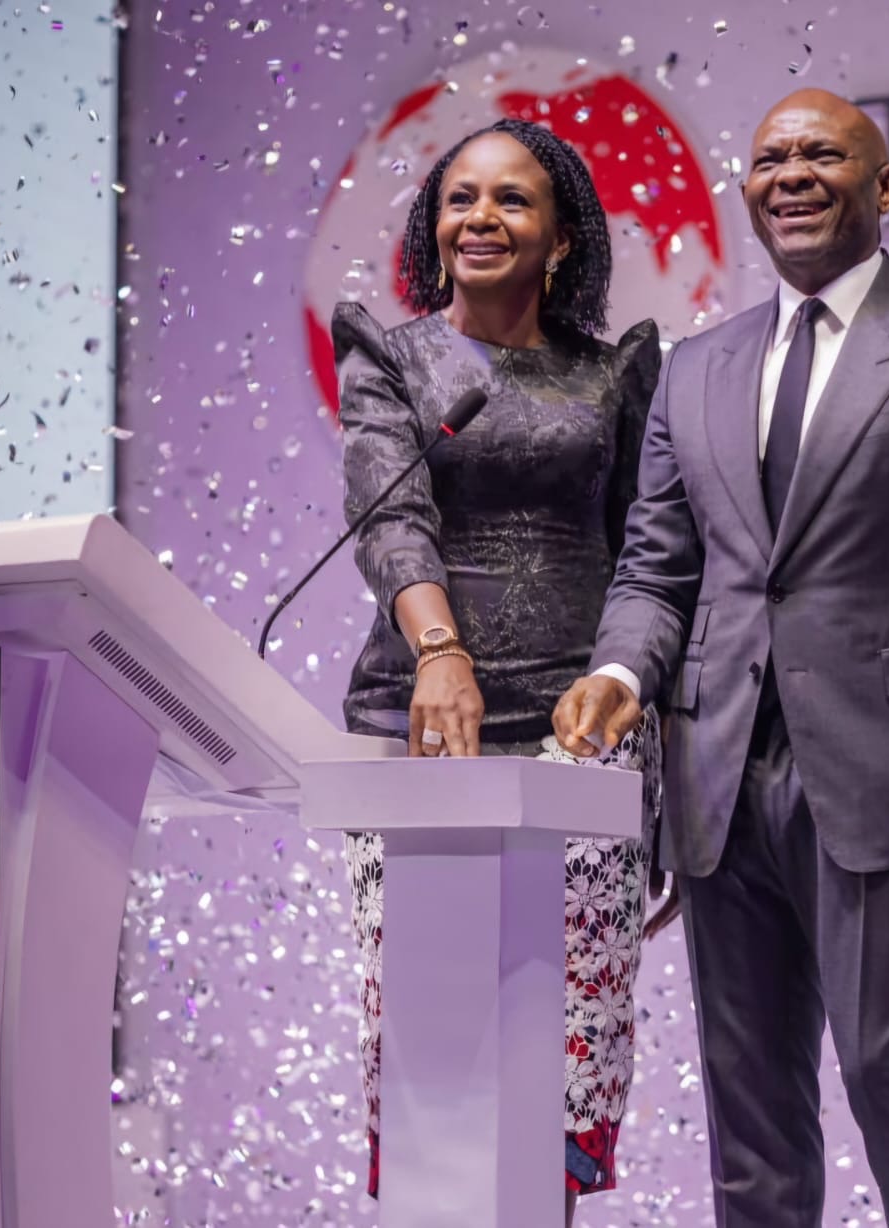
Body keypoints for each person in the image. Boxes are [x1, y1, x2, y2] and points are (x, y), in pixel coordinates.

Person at [553, 88, 889, 1228]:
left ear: (885, 185)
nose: (789, 173)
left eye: (821, 154)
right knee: (750, 1118)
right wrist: (621, 673)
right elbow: (656, 568)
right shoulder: (695, 366)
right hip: (718, 784)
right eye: (768, 157)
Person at [333, 117, 674, 1226]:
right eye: (459, 198)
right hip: (423, 738)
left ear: (562, 238)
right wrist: (441, 652)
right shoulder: (392, 357)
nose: (480, 218)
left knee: (552, 1071)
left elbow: (651, 558)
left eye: (512, 199)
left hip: (584, 745)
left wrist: (660, 768)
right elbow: (389, 522)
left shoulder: (615, 374)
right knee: (434, 1068)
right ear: (433, 228)